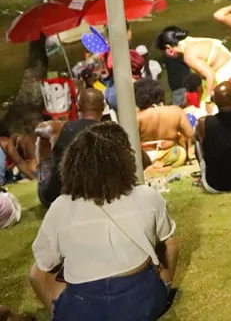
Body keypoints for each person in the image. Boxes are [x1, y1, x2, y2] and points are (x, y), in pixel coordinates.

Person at [29, 123, 178, 321]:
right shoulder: (148, 196)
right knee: (166, 246)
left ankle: (59, 314)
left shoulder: (61, 206)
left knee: (37, 272)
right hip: (144, 303)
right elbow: (169, 245)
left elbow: (44, 264)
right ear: (123, 162)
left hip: (84, 308)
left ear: (71, 166)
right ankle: (159, 292)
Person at [35, 88, 106, 208]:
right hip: (98, 192)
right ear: (103, 107)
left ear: (78, 107)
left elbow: (39, 129)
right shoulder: (110, 132)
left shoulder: (58, 128)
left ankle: (44, 176)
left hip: (55, 197)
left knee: (40, 140)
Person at [156, 26, 231, 106]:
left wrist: (208, 101)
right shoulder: (192, 41)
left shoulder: (188, 55)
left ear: (169, 48)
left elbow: (210, 74)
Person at [134, 78, 193, 169]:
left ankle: (155, 167)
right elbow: (190, 133)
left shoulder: (137, 118)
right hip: (173, 156)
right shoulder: (175, 111)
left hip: (146, 159)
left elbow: (132, 143)